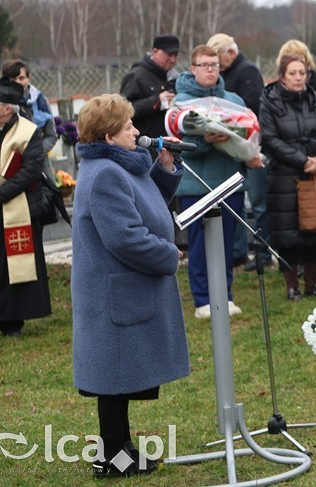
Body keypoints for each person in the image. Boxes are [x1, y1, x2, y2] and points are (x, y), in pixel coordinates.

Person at [70, 94, 188, 477]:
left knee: (117, 380)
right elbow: (125, 238)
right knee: (112, 380)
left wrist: (165, 169)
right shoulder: (105, 173)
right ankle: (111, 459)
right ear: (108, 136)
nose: (137, 131)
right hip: (112, 292)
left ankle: (121, 454)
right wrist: (169, 255)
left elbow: (144, 207)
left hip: (119, 290)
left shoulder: (119, 165)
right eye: (128, 127)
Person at [174, 45, 261, 318]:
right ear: (193, 69)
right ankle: (202, 300)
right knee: (199, 244)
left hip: (229, 180)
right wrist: (204, 141)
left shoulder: (233, 99)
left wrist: (249, 149)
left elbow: (248, 130)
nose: (210, 69)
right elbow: (180, 144)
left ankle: (226, 295)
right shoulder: (181, 103)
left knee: (227, 243)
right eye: (204, 65)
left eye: (214, 64)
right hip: (197, 184)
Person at [0, 78, 51, 342]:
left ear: (7, 109)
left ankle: (13, 321)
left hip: (16, 210)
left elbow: (31, 169)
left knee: (11, 265)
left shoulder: (29, 132)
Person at [260, 54, 316, 301]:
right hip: (285, 176)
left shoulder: (315, 99)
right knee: (287, 235)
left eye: (302, 73)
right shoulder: (270, 100)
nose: (298, 78)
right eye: (293, 73)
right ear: (282, 76)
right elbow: (271, 139)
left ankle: (311, 283)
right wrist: (302, 160)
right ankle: (291, 285)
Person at [206, 33, 270, 271]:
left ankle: (263, 254)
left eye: (218, 59)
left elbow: (250, 106)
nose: (217, 66)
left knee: (258, 202)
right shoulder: (227, 73)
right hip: (234, 144)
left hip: (252, 144)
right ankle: (240, 252)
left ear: (231, 52)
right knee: (239, 202)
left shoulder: (248, 72)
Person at [2, 59, 60, 185]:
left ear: (28, 78)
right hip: (9, 167)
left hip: (40, 165)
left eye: (21, 78)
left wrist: (35, 152)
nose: (18, 82)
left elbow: (51, 135)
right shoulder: (0, 104)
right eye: (13, 79)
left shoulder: (40, 101)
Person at [119, 35, 180, 137]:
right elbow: (123, 111)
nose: (173, 60)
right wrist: (157, 101)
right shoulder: (137, 76)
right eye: (169, 54)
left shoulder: (175, 78)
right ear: (155, 51)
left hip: (168, 143)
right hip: (143, 144)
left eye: (176, 55)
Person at [275, 39, 316, 123]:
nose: (296, 62)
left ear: (307, 60)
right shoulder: (277, 89)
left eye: (299, 58)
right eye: (290, 59)